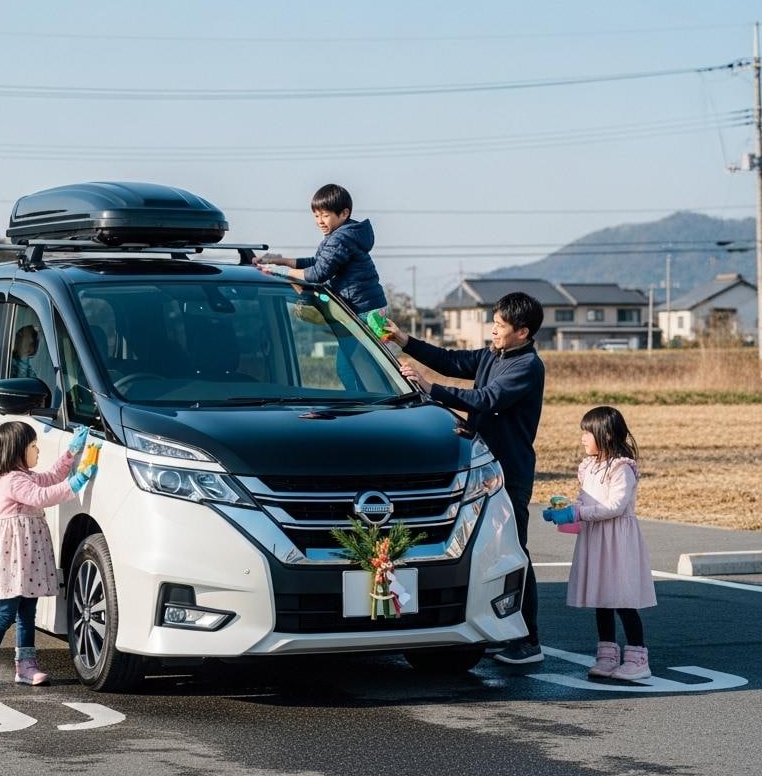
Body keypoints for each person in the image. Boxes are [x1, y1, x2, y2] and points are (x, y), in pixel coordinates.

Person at [385, 292, 546, 665]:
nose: (494, 329)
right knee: (485, 551)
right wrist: (405, 340)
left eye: (501, 325)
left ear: (522, 332)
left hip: (511, 472)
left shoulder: (527, 367)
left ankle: (529, 639)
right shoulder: (495, 354)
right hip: (484, 471)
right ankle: (499, 628)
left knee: (513, 551)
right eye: (495, 321)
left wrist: (431, 389)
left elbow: (487, 399)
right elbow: (451, 360)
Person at [0, 421, 100, 689]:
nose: (37, 450)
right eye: (32, 446)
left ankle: (26, 666)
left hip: (26, 557)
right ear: (17, 450)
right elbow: (42, 496)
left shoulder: (26, 475)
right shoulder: (14, 480)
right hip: (13, 558)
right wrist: (77, 481)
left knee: (28, 612)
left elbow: (51, 477)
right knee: (6, 612)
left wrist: (71, 454)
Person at [543, 406, 656, 680]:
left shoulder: (621, 469)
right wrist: (566, 511)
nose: (582, 438)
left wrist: (578, 512)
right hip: (596, 538)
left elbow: (615, 506)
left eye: (586, 433)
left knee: (623, 598)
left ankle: (638, 659)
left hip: (617, 540)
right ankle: (607, 657)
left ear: (604, 435)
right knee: (601, 598)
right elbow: (585, 501)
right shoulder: (589, 467)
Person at [254, 183, 385, 316]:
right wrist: (282, 261)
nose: (320, 221)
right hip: (368, 306)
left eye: (325, 216)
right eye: (316, 216)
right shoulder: (346, 234)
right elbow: (318, 263)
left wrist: (280, 271)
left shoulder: (340, 238)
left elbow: (318, 273)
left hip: (362, 310)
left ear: (344, 213)